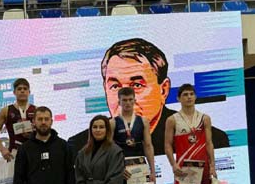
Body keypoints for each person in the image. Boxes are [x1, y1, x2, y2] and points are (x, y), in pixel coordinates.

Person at [68, 38, 230, 157]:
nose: (125, 97)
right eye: (115, 86)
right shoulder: (80, 145)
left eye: (137, 85)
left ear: (163, 90)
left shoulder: (211, 139)